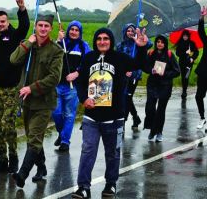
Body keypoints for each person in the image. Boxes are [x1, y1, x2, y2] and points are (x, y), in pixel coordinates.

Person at [72, 27, 149, 198]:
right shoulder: (89, 58)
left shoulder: (120, 58)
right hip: (91, 116)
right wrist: (84, 98)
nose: (102, 41)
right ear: (95, 41)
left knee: (113, 153)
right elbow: (80, 81)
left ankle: (110, 184)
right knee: (88, 151)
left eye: (106, 38)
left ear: (111, 41)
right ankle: (83, 187)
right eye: (99, 38)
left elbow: (140, 65)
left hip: (114, 117)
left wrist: (142, 48)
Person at [9, 14, 64, 188]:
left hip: (44, 102)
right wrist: (27, 44)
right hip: (26, 101)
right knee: (33, 137)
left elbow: (54, 78)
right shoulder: (29, 45)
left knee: (34, 138)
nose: (42, 29)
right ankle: (41, 167)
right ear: (36, 27)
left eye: (46, 26)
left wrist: (31, 88)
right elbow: (13, 60)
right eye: (40, 25)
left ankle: (22, 174)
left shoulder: (56, 51)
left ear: (51, 29)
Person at [0, 0, 30, 175]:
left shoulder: (14, 36)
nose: (0, 24)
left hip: (12, 89)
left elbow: (25, 26)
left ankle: (14, 159)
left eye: (3, 22)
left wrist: (22, 9)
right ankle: (2, 160)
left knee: (7, 124)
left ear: (7, 22)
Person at [53, 21, 91, 152]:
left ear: (80, 32)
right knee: (56, 112)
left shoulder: (83, 46)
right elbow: (51, 56)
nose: (74, 32)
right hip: (57, 85)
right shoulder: (61, 43)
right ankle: (62, 133)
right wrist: (58, 41)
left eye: (77, 30)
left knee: (69, 114)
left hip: (73, 87)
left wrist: (77, 73)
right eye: (72, 29)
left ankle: (65, 141)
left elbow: (88, 63)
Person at [142, 35, 180, 141]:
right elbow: (145, 66)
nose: (159, 44)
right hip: (152, 84)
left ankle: (158, 132)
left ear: (165, 44)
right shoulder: (151, 53)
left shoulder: (169, 55)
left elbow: (177, 71)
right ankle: (152, 129)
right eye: (158, 41)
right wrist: (151, 70)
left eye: (162, 42)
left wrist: (164, 73)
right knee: (150, 107)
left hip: (165, 85)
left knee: (161, 110)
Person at [116, 23, 151, 132]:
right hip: (123, 75)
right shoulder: (120, 45)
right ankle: (135, 118)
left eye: (132, 31)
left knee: (127, 97)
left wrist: (143, 40)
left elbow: (149, 44)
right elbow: (118, 60)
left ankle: (124, 121)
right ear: (124, 32)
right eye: (128, 31)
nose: (130, 33)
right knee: (125, 97)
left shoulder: (137, 44)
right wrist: (124, 70)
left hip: (135, 75)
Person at [175, 29, 199, 99]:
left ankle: (185, 91)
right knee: (183, 77)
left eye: (186, 36)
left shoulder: (191, 43)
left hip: (189, 63)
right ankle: (184, 90)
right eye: (184, 36)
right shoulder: (180, 43)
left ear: (188, 36)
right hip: (182, 63)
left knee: (186, 76)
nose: (185, 37)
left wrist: (192, 58)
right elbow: (177, 53)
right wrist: (185, 53)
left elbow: (196, 52)